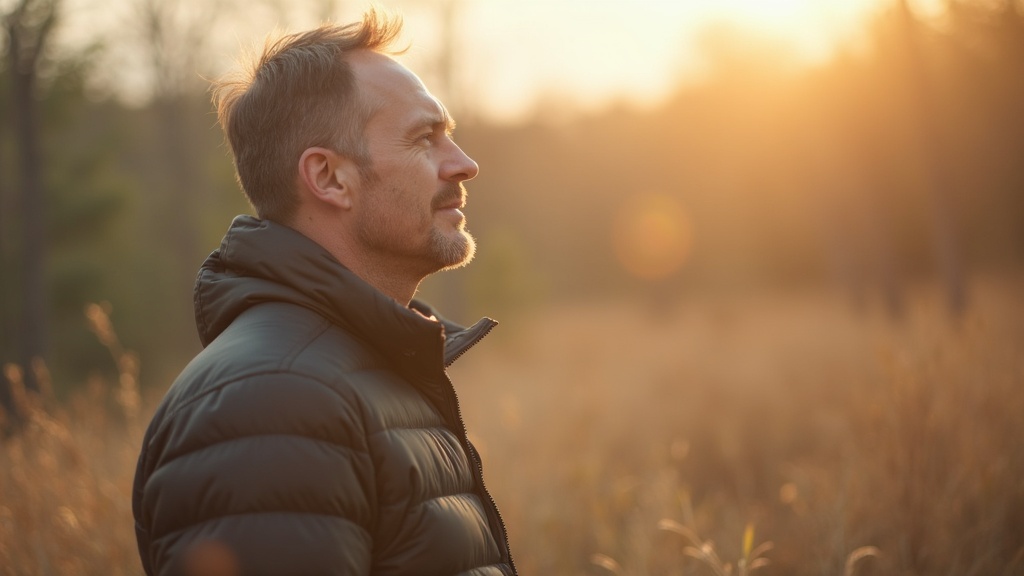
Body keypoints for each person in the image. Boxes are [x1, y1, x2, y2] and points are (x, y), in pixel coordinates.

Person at [131, 9, 516, 576]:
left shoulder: (357, 372)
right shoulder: (272, 404)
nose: (464, 164)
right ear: (330, 178)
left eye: (449, 136)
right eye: (424, 138)